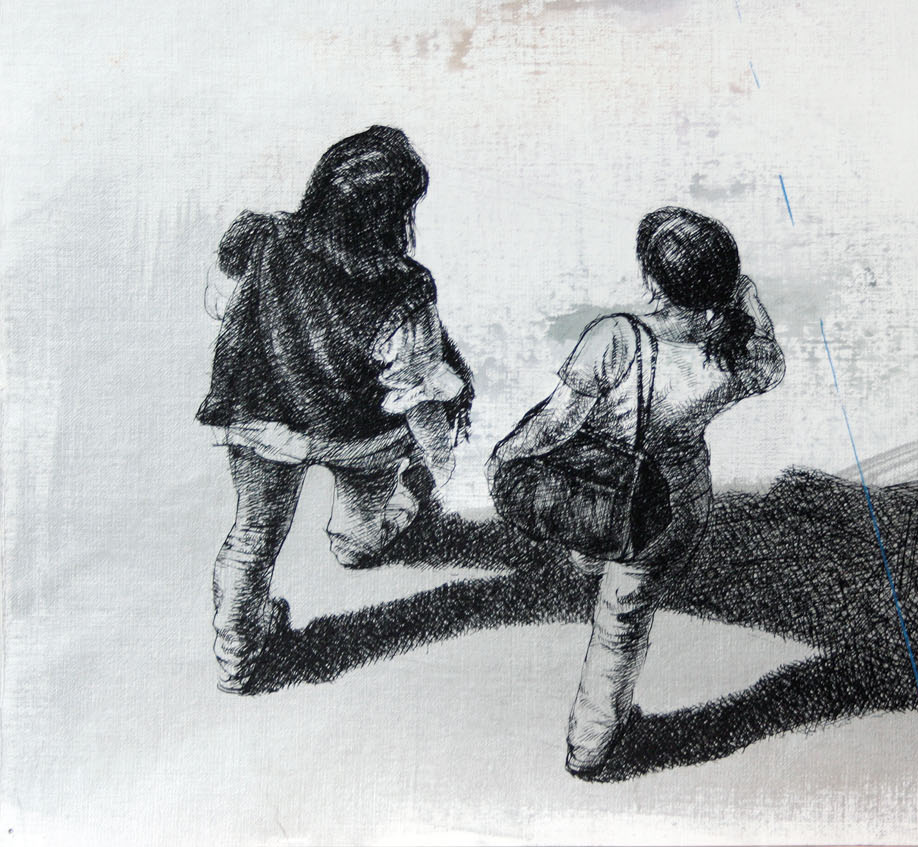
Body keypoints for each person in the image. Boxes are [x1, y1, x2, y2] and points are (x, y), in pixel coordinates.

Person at [488, 207, 785, 777]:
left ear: (653, 280)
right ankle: (593, 741)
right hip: (676, 501)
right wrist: (744, 296)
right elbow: (772, 363)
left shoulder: (618, 337)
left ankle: (589, 751)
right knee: (624, 624)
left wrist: (507, 452)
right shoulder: (739, 351)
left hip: (604, 486)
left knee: (600, 562)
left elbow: (556, 424)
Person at [196, 125, 471, 694]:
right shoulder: (406, 287)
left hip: (263, 420)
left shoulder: (257, 235)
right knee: (361, 533)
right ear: (395, 214)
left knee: (252, 537)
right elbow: (416, 389)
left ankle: (237, 657)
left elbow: (219, 303)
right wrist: (441, 460)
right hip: (359, 437)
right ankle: (362, 539)